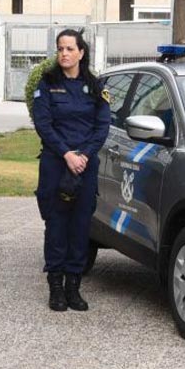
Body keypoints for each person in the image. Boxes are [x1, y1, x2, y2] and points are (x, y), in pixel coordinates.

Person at [32, 29, 110, 312]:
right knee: (56, 225)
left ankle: (73, 287)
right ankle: (55, 287)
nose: (64, 54)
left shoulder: (96, 86)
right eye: (60, 49)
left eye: (69, 49)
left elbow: (102, 126)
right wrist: (66, 154)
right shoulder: (47, 84)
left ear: (81, 52)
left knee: (80, 226)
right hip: (56, 163)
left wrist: (83, 156)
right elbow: (43, 124)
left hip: (85, 165)